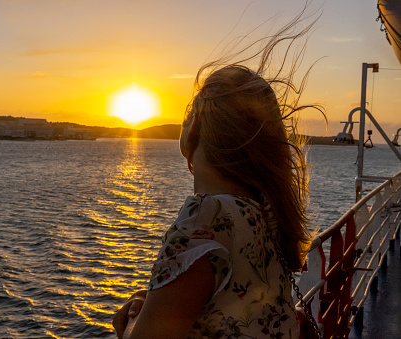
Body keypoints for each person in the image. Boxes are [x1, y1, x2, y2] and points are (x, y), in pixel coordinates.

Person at [113, 8, 323, 339]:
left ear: (196, 121)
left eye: (188, 111)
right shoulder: (263, 212)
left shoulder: (205, 217)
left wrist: (129, 322)